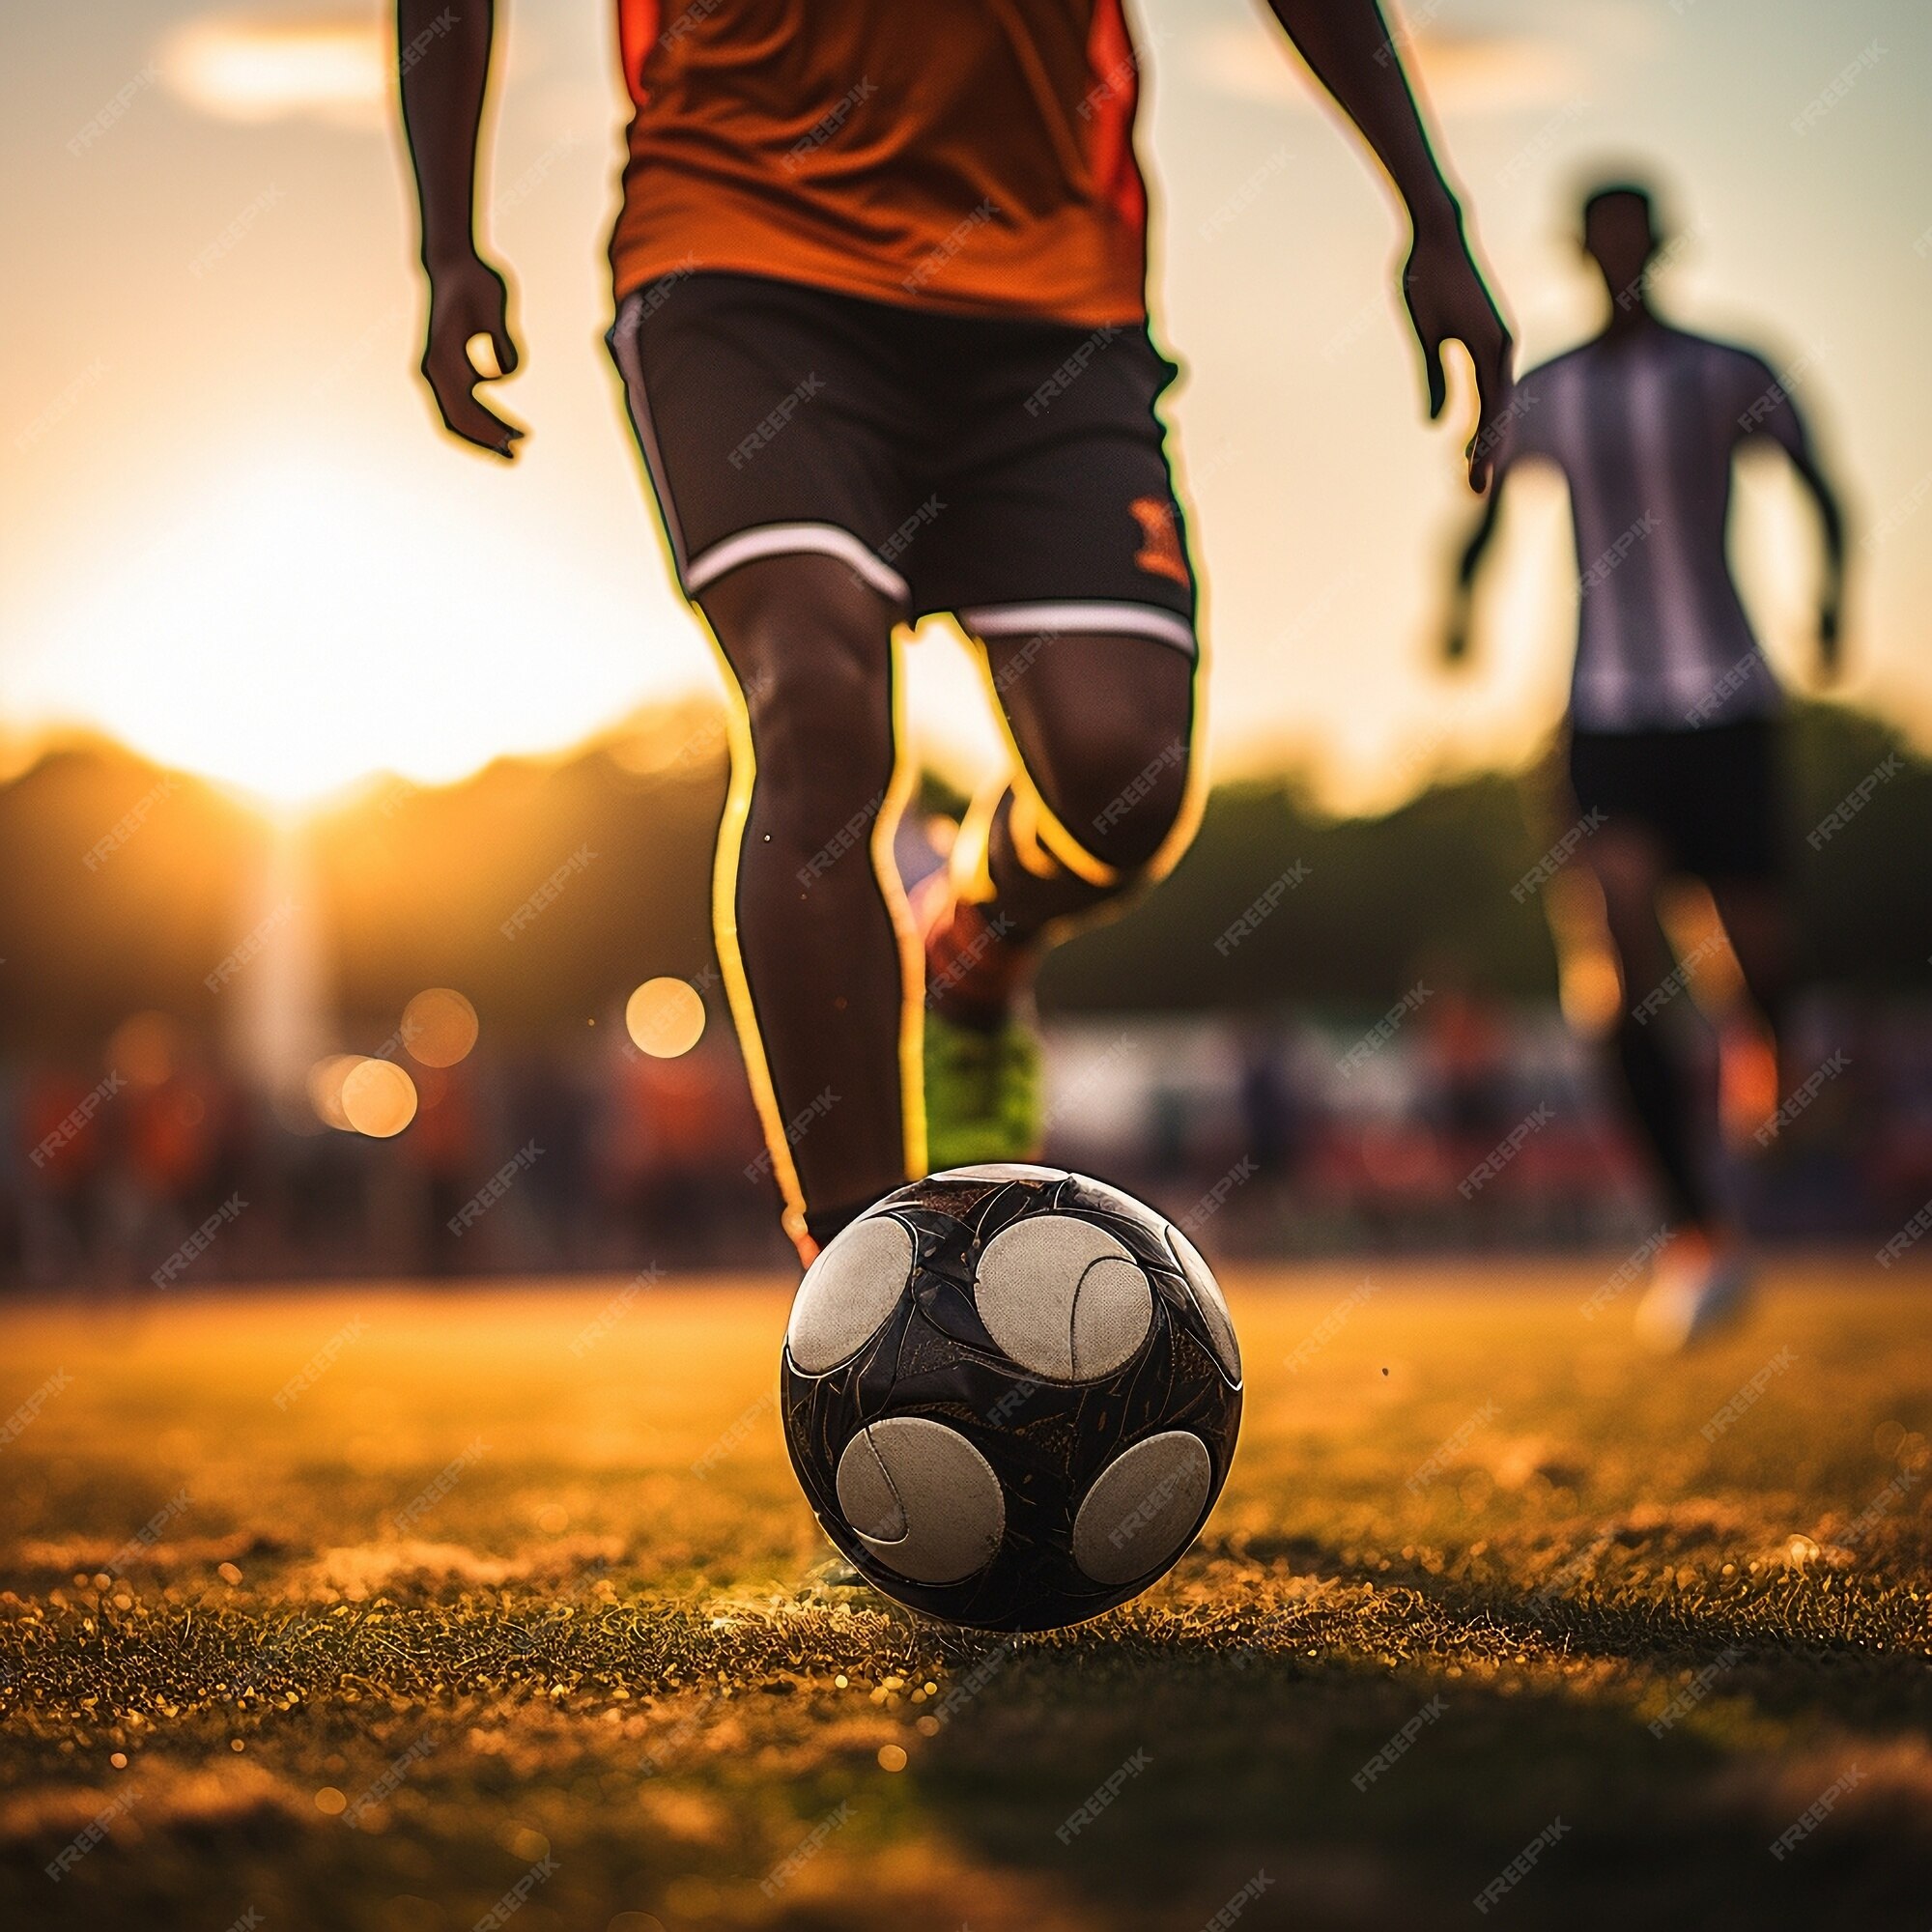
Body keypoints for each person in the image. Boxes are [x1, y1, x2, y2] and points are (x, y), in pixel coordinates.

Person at [398, 0, 1511, 1264]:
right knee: (816, 713)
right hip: (745, 243)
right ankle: (869, 1285)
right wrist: (446, 241)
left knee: (1123, 777)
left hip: (1043, 283)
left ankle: (977, 940)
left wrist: (1433, 213)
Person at [1443, 180, 1847, 1349]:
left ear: (1660, 243)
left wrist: (1828, 593)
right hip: (1606, 716)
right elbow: (1482, 506)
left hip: (1726, 702)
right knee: (1617, 947)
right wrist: (1457, 600)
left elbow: (1817, 484)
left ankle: (1765, 1050)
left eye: (1634, 236)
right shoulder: (1553, 393)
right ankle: (1692, 1234)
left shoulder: (1729, 370)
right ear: (1580, 250)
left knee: (1756, 951)